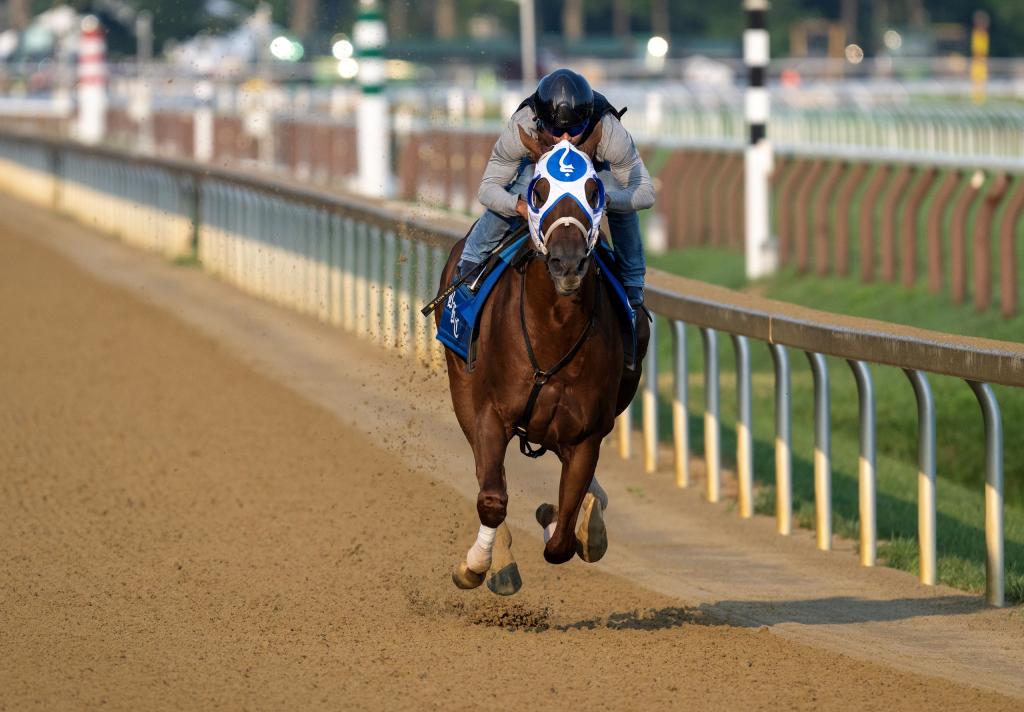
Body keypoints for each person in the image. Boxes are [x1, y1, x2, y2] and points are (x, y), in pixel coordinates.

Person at [457, 68, 655, 307]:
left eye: (574, 130)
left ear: (587, 120)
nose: (564, 139)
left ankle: (632, 281)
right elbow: (488, 189)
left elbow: (644, 191)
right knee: (518, 186)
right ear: (540, 121)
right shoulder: (522, 124)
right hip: (539, 163)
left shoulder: (609, 131)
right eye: (555, 130)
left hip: (592, 167)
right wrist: (519, 206)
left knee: (617, 193)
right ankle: (471, 261)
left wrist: (606, 201)